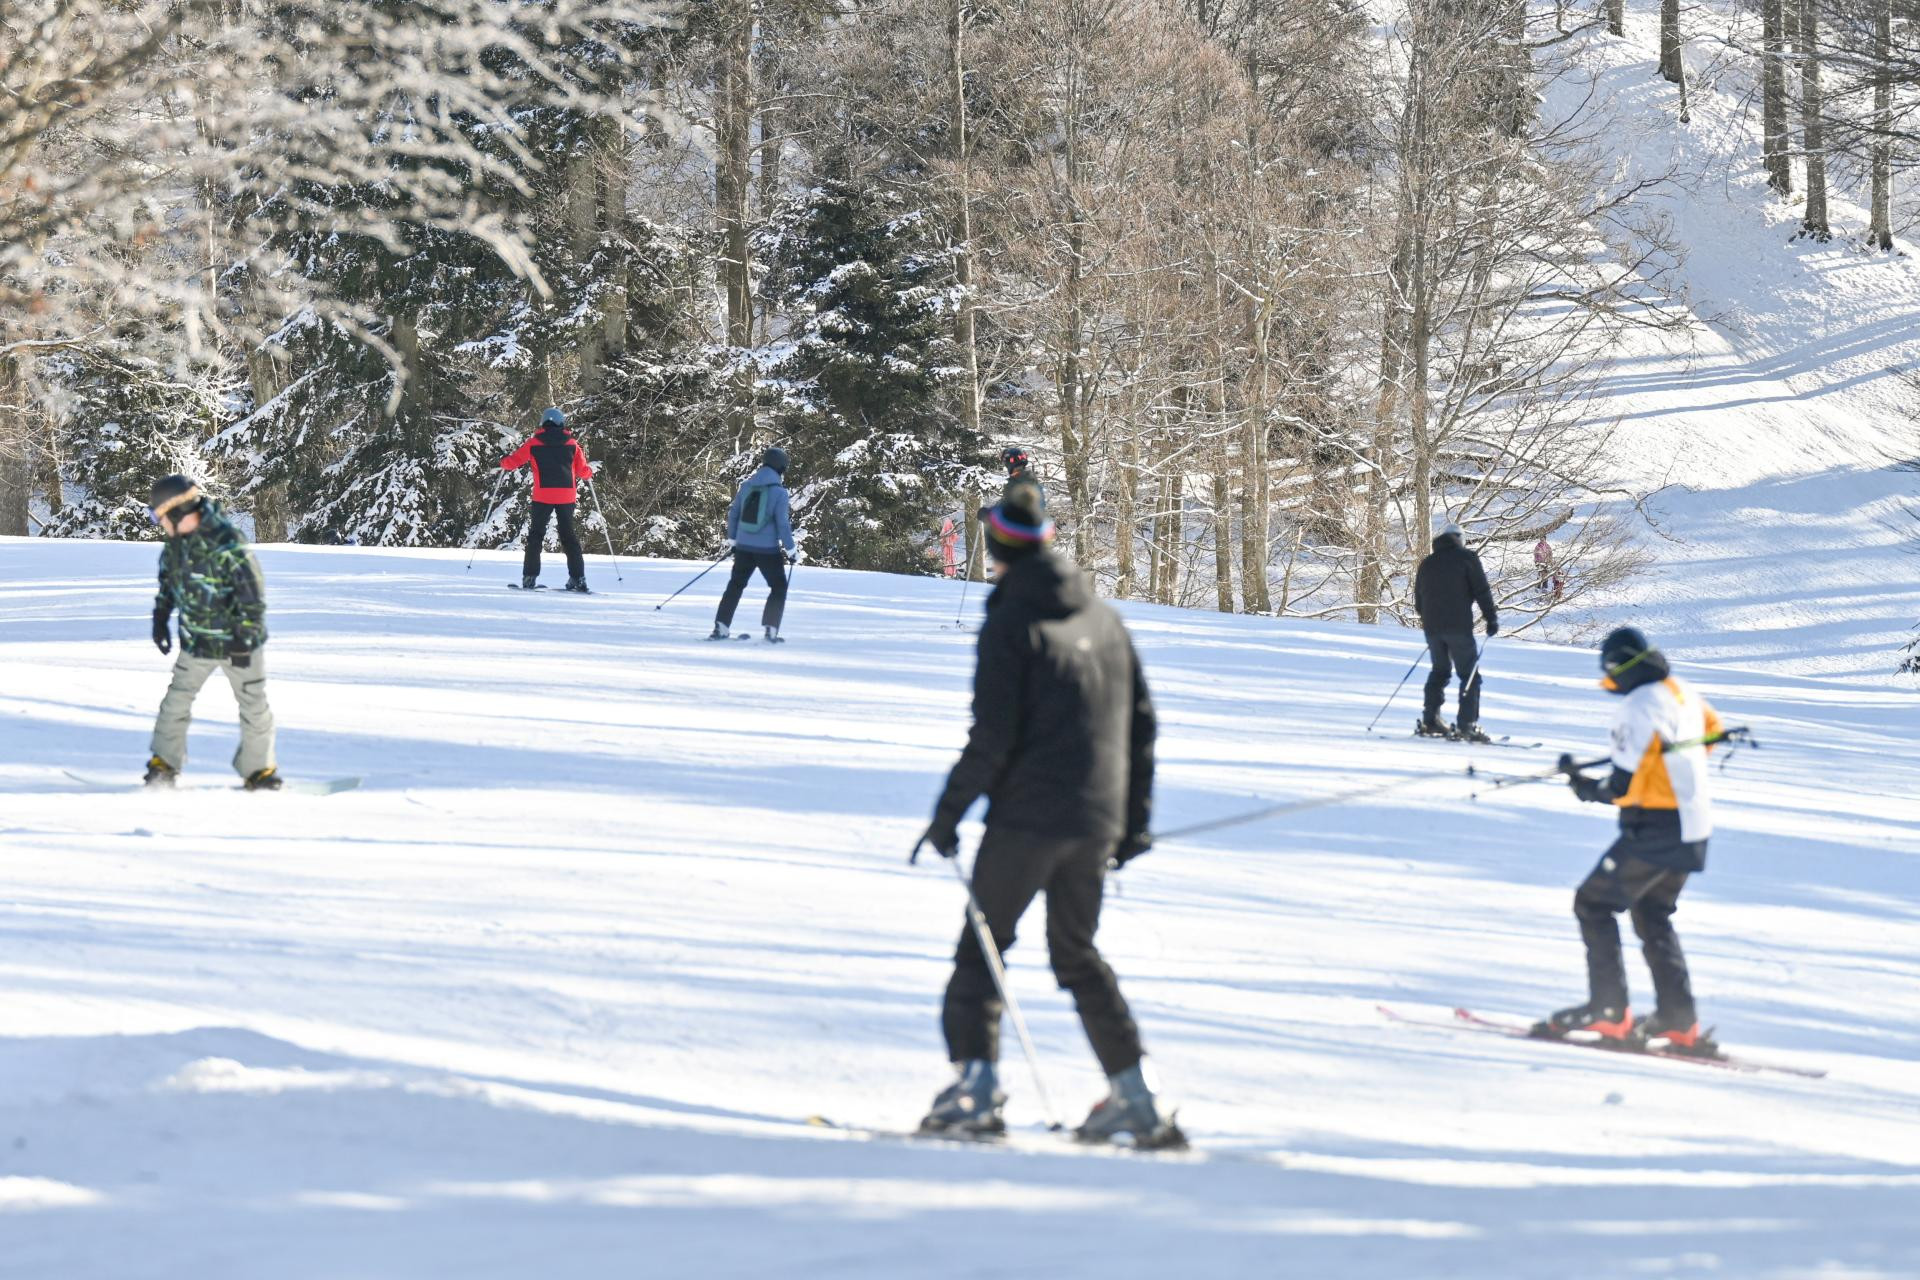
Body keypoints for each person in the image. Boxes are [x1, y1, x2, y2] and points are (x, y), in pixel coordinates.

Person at [914, 482, 1180, 1149]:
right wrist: (1131, 821)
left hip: (1027, 821)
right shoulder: (1103, 618)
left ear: (998, 551)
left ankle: (975, 1091)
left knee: (982, 949)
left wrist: (947, 815)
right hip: (1094, 820)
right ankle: (1137, 1098)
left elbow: (992, 735)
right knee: (1077, 954)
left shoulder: (1010, 621)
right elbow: (1142, 727)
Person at [1541, 627, 1724, 1053]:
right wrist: (1664, 767)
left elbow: (1619, 787)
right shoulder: (1681, 691)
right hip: (1695, 824)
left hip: (1657, 827)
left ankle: (1608, 1011)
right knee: (1651, 912)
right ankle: (1678, 1020)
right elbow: (1712, 732)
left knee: (1593, 903)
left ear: (1616, 669)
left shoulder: (1636, 705)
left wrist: (1583, 785)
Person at [144, 475, 279, 791]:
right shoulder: (175, 547)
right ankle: (164, 764)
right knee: (175, 702)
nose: (159, 525)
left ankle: (260, 771)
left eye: (159, 517)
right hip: (197, 642)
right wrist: (160, 617)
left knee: (253, 705)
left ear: (177, 512)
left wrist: (245, 637)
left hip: (239, 645)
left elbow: (253, 597)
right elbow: (167, 585)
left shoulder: (228, 542)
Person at [1412, 519, 1499, 743]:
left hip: (1432, 629)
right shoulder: (1467, 558)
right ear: (1460, 540)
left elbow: (1418, 601)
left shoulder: (1428, 563)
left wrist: (1431, 621)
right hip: (1459, 628)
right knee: (1469, 675)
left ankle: (1430, 719)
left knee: (1439, 672)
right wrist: (1491, 619)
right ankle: (1466, 725)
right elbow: (1481, 591)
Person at [500, 407, 594, 592]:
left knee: (536, 535)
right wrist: (589, 472)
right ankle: (578, 578)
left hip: (542, 495)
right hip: (566, 496)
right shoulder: (572, 444)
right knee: (569, 537)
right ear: (561, 423)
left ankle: (529, 577)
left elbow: (513, 462)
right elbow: (583, 471)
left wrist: (503, 462)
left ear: (543, 423)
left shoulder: (534, 443)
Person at [711, 446, 798, 643]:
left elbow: (734, 513)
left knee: (735, 585)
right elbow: (782, 524)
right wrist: (791, 549)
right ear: (780, 468)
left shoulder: (747, 486)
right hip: (767, 550)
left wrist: (733, 540)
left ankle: (721, 627)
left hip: (743, 547)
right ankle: (771, 630)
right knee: (778, 587)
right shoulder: (779, 492)